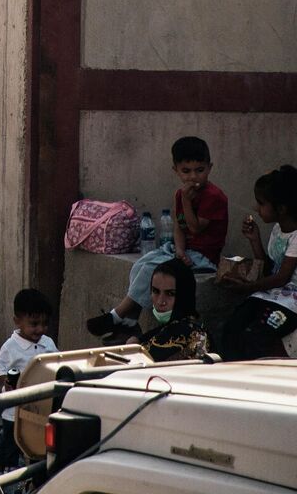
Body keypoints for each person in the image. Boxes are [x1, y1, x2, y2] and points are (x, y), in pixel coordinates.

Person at [86, 135, 228, 339]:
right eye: (186, 171)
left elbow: (195, 228)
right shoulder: (180, 195)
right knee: (141, 265)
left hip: (203, 257)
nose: (193, 177)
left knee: (153, 270)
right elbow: (179, 226)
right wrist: (179, 250)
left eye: (200, 170)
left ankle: (116, 315)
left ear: (209, 168)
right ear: (176, 171)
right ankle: (130, 321)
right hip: (183, 251)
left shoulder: (213, 197)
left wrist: (187, 203)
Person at [217, 164, 297, 360]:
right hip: (270, 295)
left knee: (258, 336)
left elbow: (281, 277)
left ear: (282, 208)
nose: (256, 208)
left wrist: (248, 287)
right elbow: (269, 266)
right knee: (233, 326)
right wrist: (254, 240)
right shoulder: (279, 229)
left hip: (291, 301)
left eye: (261, 203)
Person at [0, 288, 57, 462]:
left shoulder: (47, 343)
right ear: (17, 321)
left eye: (45, 324)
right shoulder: (10, 347)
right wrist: (10, 382)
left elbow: (58, 364)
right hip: (14, 410)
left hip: (39, 408)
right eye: (34, 324)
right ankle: (4, 476)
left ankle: (35, 478)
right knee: (11, 444)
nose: (40, 329)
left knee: (37, 444)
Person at [137, 258, 209, 360]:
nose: (160, 301)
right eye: (155, 291)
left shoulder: (190, 334)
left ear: (184, 296)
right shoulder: (168, 329)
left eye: (170, 294)